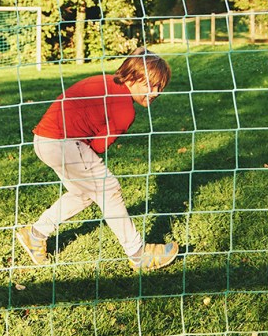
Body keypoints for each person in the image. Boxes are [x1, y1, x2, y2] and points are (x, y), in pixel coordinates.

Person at [15, 47, 179, 272]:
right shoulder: (125, 111)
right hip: (63, 143)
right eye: (150, 86)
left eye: (160, 87)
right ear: (131, 76)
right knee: (108, 189)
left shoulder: (102, 80)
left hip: (43, 139)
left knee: (82, 194)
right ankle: (138, 254)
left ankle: (36, 234)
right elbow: (100, 146)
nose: (156, 92)